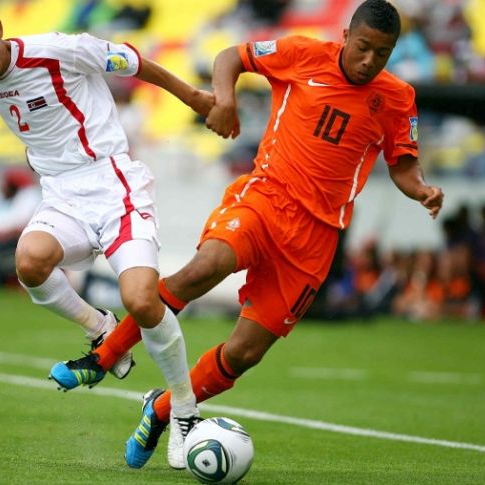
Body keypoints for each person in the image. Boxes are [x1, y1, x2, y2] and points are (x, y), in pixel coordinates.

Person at [55, 0, 445, 471]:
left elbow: (402, 164)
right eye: (363, 48)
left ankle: (160, 410)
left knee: (244, 353)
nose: (369, 61)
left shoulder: (398, 97)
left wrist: (420, 188)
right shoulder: (303, 54)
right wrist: (226, 99)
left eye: (381, 54)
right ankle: (104, 356)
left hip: (315, 240)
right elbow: (230, 57)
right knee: (205, 268)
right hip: (266, 198)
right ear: (345, 36)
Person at [0, 0, 215, 452]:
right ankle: (101, 329)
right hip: (63, 195)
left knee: (142, 300)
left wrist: (195, 98)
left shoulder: (59, 49)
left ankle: (182, 409)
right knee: (29, 262)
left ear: (0, 29)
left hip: (113, 182)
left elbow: (133, 60)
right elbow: (42, 138)